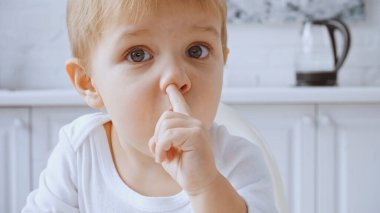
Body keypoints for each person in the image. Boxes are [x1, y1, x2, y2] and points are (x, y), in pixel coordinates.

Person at [22, 0, 277, 212]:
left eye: (196, 50)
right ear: (89, 82)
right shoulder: (79, 153)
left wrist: (206, 186)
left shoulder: (238, 162)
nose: (175, 77)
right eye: (138, 55)